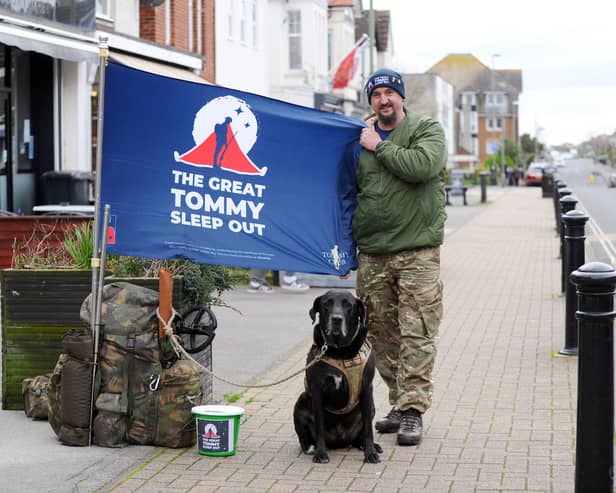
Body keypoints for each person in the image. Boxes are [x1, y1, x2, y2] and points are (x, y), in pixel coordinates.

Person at [353, 68, 446, 446]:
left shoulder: (427, 130)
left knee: (417, 333)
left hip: (417, 252)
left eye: (391, 93)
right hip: (373, 255)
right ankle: (397, 403)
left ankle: (413, 412)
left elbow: (423, 167)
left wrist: (380, 146)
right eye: (377, 95)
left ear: (402, 97)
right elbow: (346, 192)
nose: (384, 100)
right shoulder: (356, 137)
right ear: (370, 101)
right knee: (381, 336)